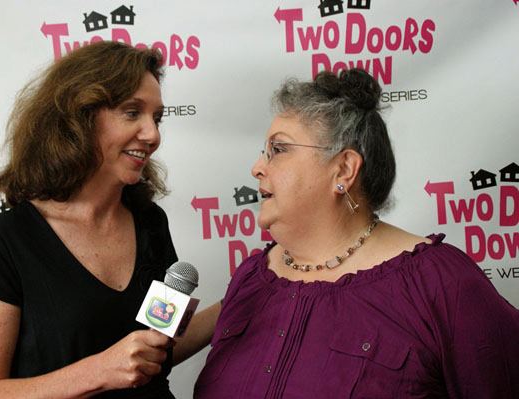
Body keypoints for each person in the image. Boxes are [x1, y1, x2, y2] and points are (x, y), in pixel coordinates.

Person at [194, 68, 519, 398]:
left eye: (279, 150)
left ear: (344, 169)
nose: (257, 167)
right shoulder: (251, 278)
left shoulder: (440, 282)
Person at [0, 41, 220, 399]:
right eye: (132, 113)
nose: (153, 135)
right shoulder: (4, 239)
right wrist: (98, 371)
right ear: (80, 118)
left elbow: (158, 348)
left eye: (157, 118)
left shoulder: (150, 222)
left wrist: (239, 303)